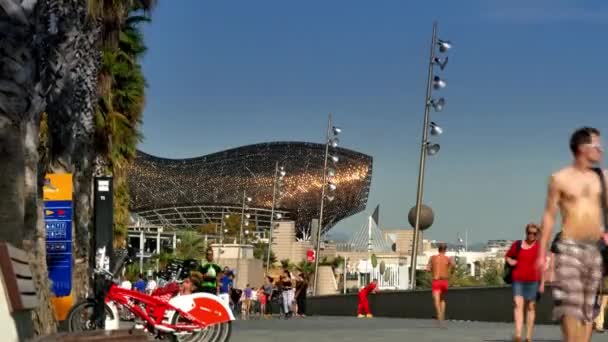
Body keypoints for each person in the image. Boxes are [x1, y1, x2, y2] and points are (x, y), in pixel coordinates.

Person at [537, 127, 608, 342]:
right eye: (596, 146)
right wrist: (542, 253)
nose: (601, 150)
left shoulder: (602, 178)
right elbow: (549, 216)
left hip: (595, 248)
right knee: (571, 308)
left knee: (588, 309)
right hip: (570, 247)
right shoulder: (560, 179)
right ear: (581, 148)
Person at [505, 223, 543, 342]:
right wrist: (510, 261)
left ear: (537, 235)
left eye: (534, 233)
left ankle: (528, 337)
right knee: (517, 304)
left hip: (533, 280)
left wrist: (542, 283)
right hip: (518, 280)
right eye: (529, 233)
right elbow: (508, 256)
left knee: (531, 307)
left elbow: (543, 266)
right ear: (526, 233)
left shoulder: (539, 247)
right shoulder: (517, 245)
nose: (531, 235)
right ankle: (518, 335)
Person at [427, 243, 454, 324]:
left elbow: (428, 269)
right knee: (442, 299)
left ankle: (439, 316)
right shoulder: (448, 259)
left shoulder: (432, 258)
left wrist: (433, 271)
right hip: (445, 281)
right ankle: (442, 316)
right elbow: (453, 266)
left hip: (436, 280)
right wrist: (450, 272)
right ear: (445, 250)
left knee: (436, 299)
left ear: (438, 249)